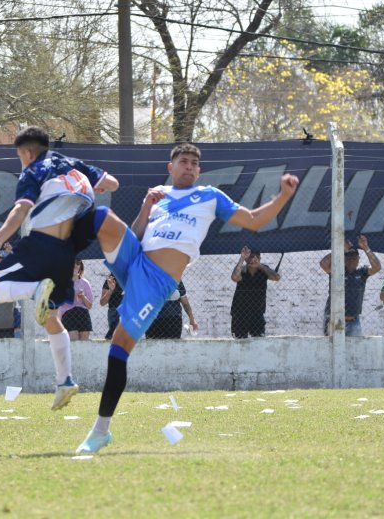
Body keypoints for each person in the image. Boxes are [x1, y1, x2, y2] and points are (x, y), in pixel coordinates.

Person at [77, 142, 299, 453]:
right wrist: (145, 207)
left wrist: (284, 196)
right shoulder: (159, 197)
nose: (190, 167)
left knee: (119, 343)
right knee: (102, 217)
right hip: (134, 259)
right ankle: (53, 262)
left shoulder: (209, 196)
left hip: (156, 283)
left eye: (195, 163)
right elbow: (138, 234)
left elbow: (253, 220)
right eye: (184, 161)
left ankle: (101, 431)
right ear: (171, 167)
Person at [0, 126, 119, 410]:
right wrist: (98, 186)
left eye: (20, 156)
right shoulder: (75, 165)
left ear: (28, 153)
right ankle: (65, 380)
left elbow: (20, 211)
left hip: (41, 245)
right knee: (50, 317)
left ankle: (35, 289)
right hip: (67, 254)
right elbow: (113, 183)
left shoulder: (33, 171)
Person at [320, 235, 382, 337]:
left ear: (358, 259)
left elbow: (377, 267)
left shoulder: (362, 272)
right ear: (343, 258)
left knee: (355, 350)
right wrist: (339, 248)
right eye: (348, 257)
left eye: (354, 257)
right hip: (335, 319)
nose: (351, 259)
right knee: (331, 349)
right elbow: (323, 264)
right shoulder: (337, 271)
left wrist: (366, 248)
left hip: (354, 321)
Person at [230, 247, 280, 338]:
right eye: (251, 257)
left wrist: (259, 265)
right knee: (239, 341)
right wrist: (242, 259)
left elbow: (276, 277)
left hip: (257, 312)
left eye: (257, 257)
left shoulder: (264, 269)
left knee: (258, 340)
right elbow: (234, 277)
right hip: (239, 312)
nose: (254, 259)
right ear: (246, 258)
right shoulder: (242, 269)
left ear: (260, 259)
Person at [56, 259, 94, 341]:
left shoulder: (85, 283)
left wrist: (83, 297)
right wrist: (73, 295)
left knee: (84, 341)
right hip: (68, 313)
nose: (75, 269)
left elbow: (90, 305)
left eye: (77, 267)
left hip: (83, 313)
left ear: (80, 269)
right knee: (74, 339)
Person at [99, 273, 123, 339]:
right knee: (114, 337)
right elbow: (102, 302)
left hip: (129, 311)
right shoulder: (111, 278)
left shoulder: (132, 276)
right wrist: (111, 290)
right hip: (114, 311)